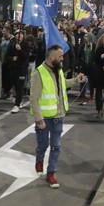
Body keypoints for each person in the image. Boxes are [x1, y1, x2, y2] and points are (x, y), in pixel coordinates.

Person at [30, 44, 72, 189]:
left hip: (59, 116)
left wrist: (76, 80)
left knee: (56, 146)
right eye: (60, 56)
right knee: (43, 145)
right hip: (45, 119)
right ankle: (39, 160)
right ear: (53, 57)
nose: (62, 58)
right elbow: (33, 99)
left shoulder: (58, 70)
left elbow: (63, 84)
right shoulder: (38, 73)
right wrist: (39, 120)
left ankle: (51, 173)